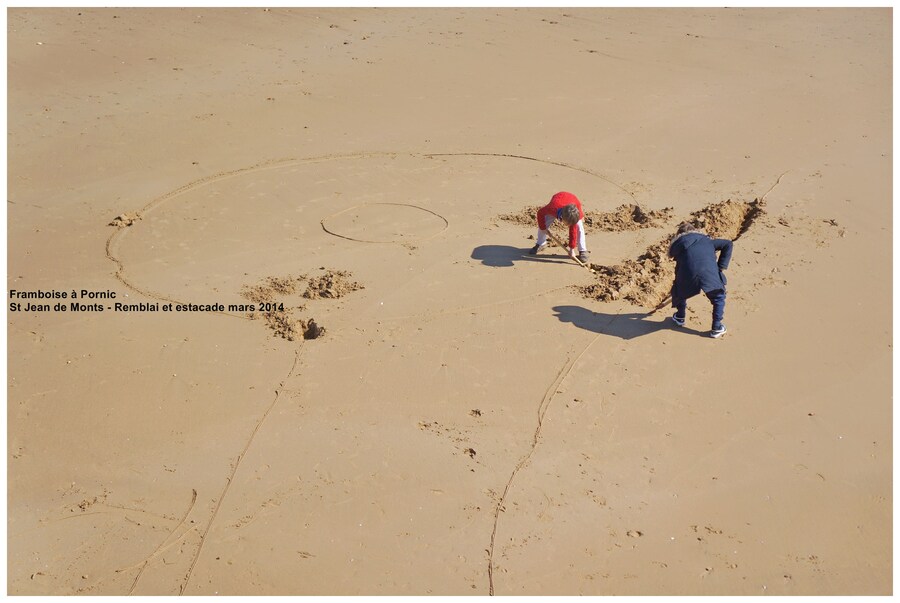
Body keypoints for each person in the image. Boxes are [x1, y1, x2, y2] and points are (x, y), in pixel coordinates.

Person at [667, 222, 733, 338]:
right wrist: (720, 266)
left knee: (680, 292)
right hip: (708, 271)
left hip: (687, 272)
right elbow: (728, 244)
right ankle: (716, 327)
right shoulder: (707, 241)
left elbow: (679, 270)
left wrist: (678, 286)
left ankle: (680, 316)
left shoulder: (678, 247)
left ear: (679, 236)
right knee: (718, 297)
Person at [529, 191, 589, 263]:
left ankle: (582, 250)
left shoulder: (573, 216)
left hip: (575, 203)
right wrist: (543, 228)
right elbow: (540, 213)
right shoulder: (552, 208)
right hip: (558, 199)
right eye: (567, 224)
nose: (568, 226)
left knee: (579, 226)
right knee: (543, 223)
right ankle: (541, 243)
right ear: (562, 218)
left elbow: (573, 232)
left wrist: (571, 250)